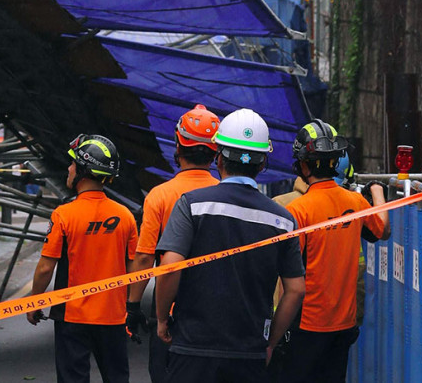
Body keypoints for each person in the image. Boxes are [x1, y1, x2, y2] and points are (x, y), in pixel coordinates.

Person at [154, 108, 305, 383]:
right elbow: (295, 290)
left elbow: (170, 266)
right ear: (262, 164)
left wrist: (162, 317)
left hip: (193, 349)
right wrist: (270, 342)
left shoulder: (192, 204)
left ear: (219, 157)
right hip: (249, 354)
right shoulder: (282, 220)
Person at [278, 120, 390, 383]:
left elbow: (289, 277)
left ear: (303, 165)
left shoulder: (299, 210)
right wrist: (377, 191)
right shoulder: (355, 202)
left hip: (306, 325)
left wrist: (276, 332)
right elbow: (382, 230)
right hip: (344, 324)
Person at [26, 134, 138, 383]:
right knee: (117, 378)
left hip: (72, 317)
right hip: (113, 316)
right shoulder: (126, 216)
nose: (68, 168)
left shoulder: (64, 215)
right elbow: (134, 267)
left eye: (73, 163)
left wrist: (35, 301)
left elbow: (46, 267)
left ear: (83, 171)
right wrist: (131, 306)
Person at [125, 104, 221, 383]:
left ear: (178, 145)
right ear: (216, 152)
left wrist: (132, 306)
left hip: (171, 311)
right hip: (216, 311)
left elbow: (144, 258)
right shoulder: (224, 193)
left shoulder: (159, 195)